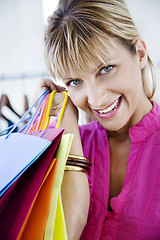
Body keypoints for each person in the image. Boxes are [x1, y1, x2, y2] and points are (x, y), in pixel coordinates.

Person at [37, 0, 160, 239]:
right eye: (74, 81)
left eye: (105, 69)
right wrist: (67, 133)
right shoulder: (64, 147)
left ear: (140, 55)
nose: (96, 99)